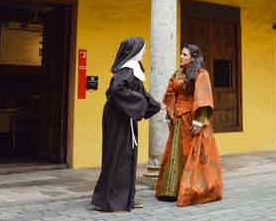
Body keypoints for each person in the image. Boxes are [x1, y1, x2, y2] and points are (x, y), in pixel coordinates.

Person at [92, 37, 161, 212]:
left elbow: (141, 94)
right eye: (143, 49)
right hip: (118, 120)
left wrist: (156, 106)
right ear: (135, 51)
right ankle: (113, 200)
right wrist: (140, 103)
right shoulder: (127, 70)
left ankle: (124, 198)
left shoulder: (133, 70)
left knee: (126, 157)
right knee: (120, 157)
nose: (144, 52)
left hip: (123, 117)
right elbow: (116, 90)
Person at [155, 44, 223, 206]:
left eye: (184, 54)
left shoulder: (201, 74)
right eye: (181, 54)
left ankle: (194, 189)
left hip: (193, 120)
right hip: (179, 120)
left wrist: (199, 121)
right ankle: (172, 190)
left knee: (194, 154)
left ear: (193, 57)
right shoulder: (177, 73)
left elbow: (204, 98)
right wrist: (170, 112)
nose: (181, 56)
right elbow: (171, 92)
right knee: (176, 153)